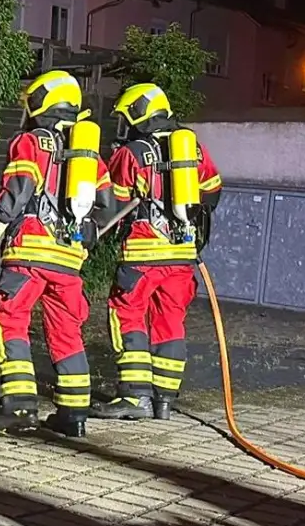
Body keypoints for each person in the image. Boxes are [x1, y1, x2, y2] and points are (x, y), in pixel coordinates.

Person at [0, 70, 110, 437]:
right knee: (67, 333)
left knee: (7, 319)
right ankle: (74, 416)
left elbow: (17, 192)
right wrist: (84, 236)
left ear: (40, 102)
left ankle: (20, 408)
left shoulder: (31, 142)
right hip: (70, 260)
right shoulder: (89, 155)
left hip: (29, 252)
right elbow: (109, 205)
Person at [92, 83, 223, 421]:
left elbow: (112, 203)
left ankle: (135, 399)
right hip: (181, 255)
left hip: (142, 254)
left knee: (128, 317)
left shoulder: (132, 153)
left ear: (139, 113)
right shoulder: (191, 147)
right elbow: (212, 191)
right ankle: (165, 401)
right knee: (171, 323)